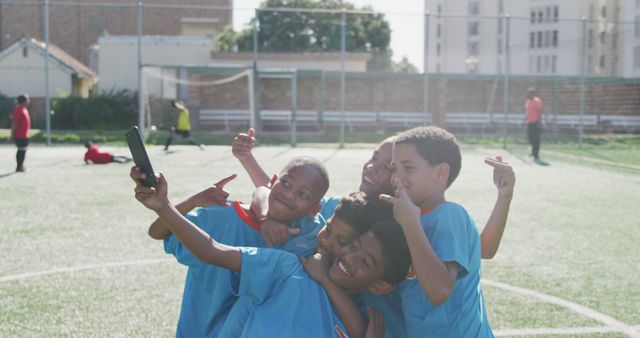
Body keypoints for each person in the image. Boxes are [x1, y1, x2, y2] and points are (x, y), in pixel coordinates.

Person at [232, 128, 515, 337]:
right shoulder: (368, 213)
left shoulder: (432, 216)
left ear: (440, 173)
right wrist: (266, 213)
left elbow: (449, 281)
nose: (387, 173)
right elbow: (289, 199)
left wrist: (504, 197)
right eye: (376, 159)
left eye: (394, 166)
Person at [131, 169, 412, 338]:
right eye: (351, 246)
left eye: (349, 245)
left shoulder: (360, 315)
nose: (347, 255)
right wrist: (165, 206)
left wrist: (326, 281)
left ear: (379, 284)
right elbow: (212, 250)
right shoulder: (289, 265)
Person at [131, 156, 330, 337]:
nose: (289, 195)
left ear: (313, 208)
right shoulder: (222, 216)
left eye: (302, 194)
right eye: (285, 183)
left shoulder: (309, 235)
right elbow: (157, 232)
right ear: (273, 181)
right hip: (197, 330)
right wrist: (190, 201)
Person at [379, 126, 493, 337]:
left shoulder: (449, 215)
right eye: (394, 168)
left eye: (408, 168)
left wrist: (410, 223)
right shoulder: (408, 217)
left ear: (441, 173)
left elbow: (439, 290)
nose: (397, 177)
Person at [11, 94, 31, 173]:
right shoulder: (18, 109)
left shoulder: (24, 109)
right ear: (23, 101)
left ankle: (21, 165)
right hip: (20, 135)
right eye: (27, 100)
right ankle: (19, 166)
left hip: (25, 135)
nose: (28, 102)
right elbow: (15, 123)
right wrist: (12, 134)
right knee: (21, 151)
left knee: (23, 151)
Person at [524, 87, 544, 162]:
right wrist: (525, 120)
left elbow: (540, 112)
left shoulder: (537, 101)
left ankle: (536, 154)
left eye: (532, 93)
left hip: (536, 122)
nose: (530, 94)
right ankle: (532, 152)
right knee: (530, 138)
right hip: (529, 122)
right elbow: (527, 111)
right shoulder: (528, 101)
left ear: (534, 94)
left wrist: (539, 122)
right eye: (529, 93)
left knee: (536, 139)